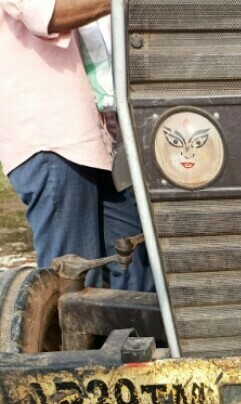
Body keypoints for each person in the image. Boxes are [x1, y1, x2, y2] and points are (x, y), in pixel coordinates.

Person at [0, 0, 153, 290]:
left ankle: (136, 336)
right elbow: (45, 13)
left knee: (137, 270)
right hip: (53, 139)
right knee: (74, 285)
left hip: (103, 138)